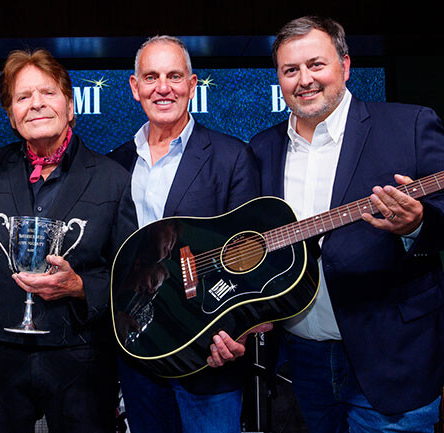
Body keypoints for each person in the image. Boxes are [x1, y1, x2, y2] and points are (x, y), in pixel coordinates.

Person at [249, 16, 444, 432]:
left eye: (316, 64)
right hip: (304, 360)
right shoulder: (263, 147)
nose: (304, 79)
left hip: (394, 357)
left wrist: (418, 223)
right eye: (291, 70)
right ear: (279, 79)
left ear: (345, 65)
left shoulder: (408, 124)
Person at [109, 35, 269, 433]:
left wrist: (238, 333)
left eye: (174, 76)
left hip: (209, 355)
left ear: (193, 85)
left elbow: (251, 258)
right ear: (134, 87)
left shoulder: (232, 157)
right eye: (151, 77)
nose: (163, 87)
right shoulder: (115, 164)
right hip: (139, 356)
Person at [0, 48, 136, 433]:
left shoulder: (113, 178)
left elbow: (130, 275)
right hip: (1, 360)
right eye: (23, 97)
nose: (36, 104)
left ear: (71, 105)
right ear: (11, 116)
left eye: (47, 92)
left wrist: (81, 287)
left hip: (81, 359)